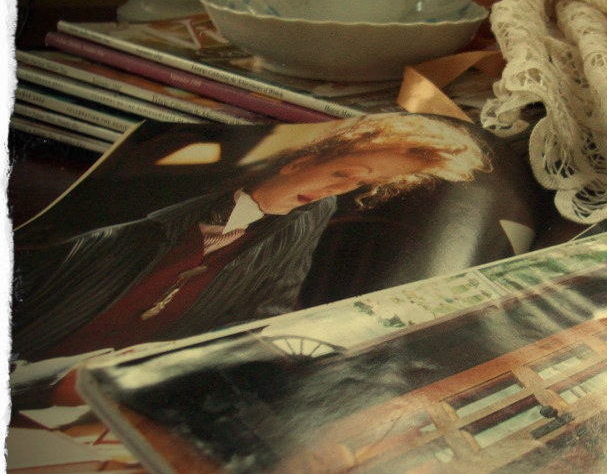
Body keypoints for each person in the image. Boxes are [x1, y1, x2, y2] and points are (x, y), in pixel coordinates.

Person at [11, 114, 490, 363]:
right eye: (343, 172)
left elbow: (267, 308)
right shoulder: (180, 188)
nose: (340, 190)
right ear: (303, 159)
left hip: (104, 391)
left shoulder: (309, 215)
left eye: (363, 184)